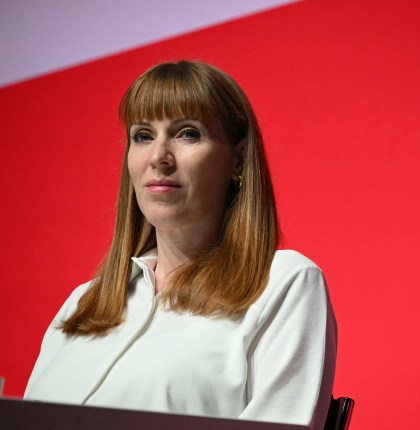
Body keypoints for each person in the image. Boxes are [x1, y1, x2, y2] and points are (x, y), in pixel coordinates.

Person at [23, 60, 337, 430]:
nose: (158, 157)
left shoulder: (284, 284)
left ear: (237, 160)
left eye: (187, 133)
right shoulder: (82, 303)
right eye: (142, 136)